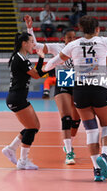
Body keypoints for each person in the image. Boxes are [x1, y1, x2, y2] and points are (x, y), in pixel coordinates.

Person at [43, 14, 107, 181]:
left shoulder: (73, 44)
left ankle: (97, 171)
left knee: (91, 130)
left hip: (79, 91)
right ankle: (105, 156)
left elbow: (53, 63)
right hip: (98, 88)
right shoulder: (103, 41)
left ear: (80, 29)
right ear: (97, 29)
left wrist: (43, 69)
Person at [24, 15, 81, 165]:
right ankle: (69, 152)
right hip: (64, 78)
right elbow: (36, 45)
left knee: (76, 120)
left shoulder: (79, 48)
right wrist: (30, 27)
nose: (72, 40)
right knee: (66, 117)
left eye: (74, 37)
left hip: (77, 81)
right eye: (69, 38)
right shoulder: (58, 47)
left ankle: (69, 144)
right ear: (64, 39)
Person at [2, 31, 47, 170]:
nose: (33, 44)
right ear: (24, 43)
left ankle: (11, 149)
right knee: (32, 127)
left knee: (35, 126)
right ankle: (23, 160)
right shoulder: (20, 58)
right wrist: (41, 59)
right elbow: (37, 75)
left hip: (18, 97)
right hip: (16, 98)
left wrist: (42, 63)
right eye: (31, 42)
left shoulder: (21, 57)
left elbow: (36, 74)